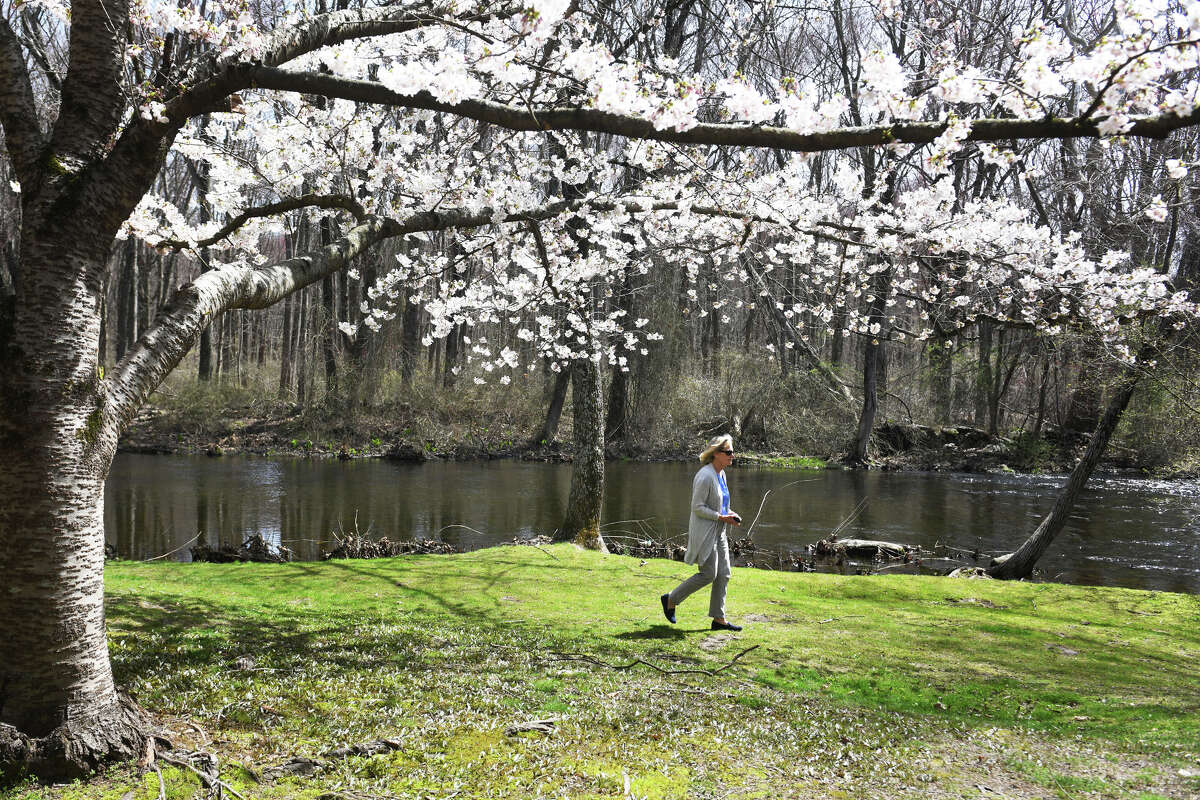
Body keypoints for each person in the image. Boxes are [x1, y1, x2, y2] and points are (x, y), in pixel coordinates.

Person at [660, 434, 743, 631]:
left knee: (724, 574)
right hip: (706, 533)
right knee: (708, 574)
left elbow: (720, 504)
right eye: (729, 452)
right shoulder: (705, 476)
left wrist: (730, 513)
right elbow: (697, 507)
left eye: (732, 452)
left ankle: (718, 619)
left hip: (719, 532)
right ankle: (671, 599)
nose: (733, 455)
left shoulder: (721, 474)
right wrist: (721, 517)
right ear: (716, 454)